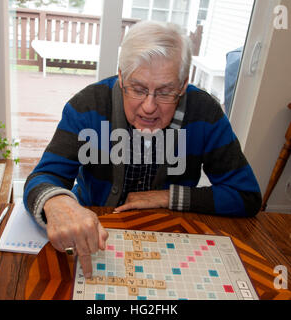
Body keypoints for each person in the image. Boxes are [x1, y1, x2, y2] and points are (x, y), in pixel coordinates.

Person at [23, 21, 261, 279]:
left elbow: (246, 196)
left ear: (183, 85)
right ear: (121, 77)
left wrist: (167, 197)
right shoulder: (86, 106)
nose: (149, 106)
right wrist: (57, 202)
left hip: (171, 244)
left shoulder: (206, 113)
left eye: (166, 91)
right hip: (96, 239)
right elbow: (41, 178)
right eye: (137, 89)